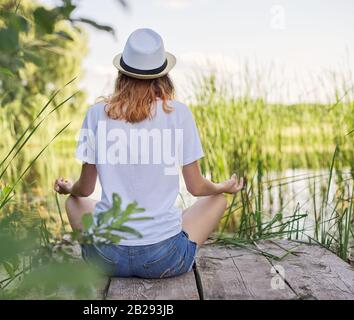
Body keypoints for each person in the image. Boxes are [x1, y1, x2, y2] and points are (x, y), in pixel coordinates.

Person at [55, 28, 243, 278]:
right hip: (163, 260)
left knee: (74, 202)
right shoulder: (179, 113)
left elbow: (85, 190)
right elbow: (196, 188)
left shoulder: (96, 114)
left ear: (121, 74)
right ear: (163, 77)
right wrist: (223, 186)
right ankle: (163, 231)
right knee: (217, 200)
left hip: (106, 257)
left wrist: (69, 188)